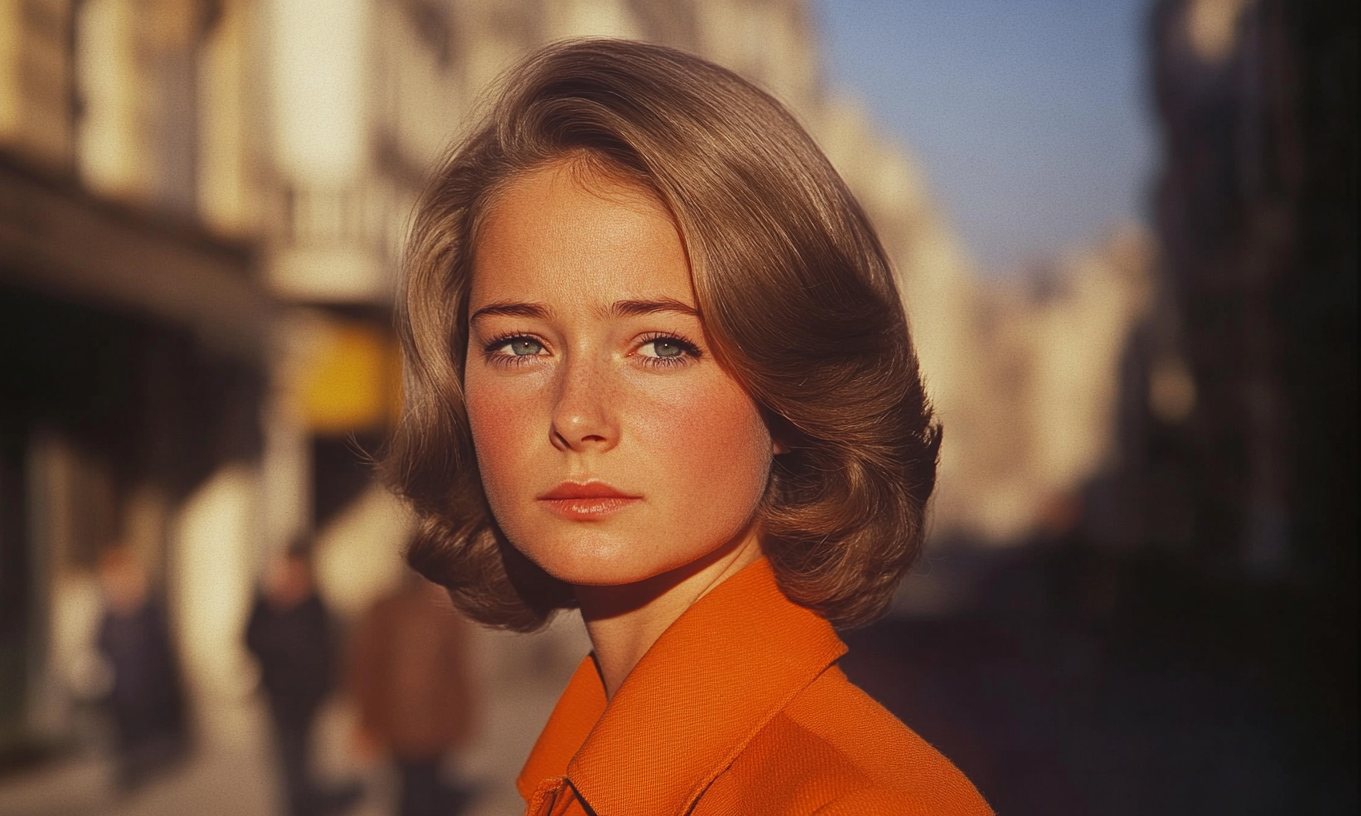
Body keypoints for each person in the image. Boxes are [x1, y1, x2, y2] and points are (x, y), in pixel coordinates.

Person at [385, 38, 993, 815]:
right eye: (520, 344)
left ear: (789, 394)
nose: (575, 416)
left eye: (662, 346)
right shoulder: (587, 774)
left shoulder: (860, 802)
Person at [245, 544, 362, 816]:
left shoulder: (315, 605)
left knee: (303, 755)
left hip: (308, 696)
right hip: (278, 695)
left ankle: (304, 802)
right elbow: (251, 638)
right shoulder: (267, 604)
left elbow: (327, 648)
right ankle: (296, 805)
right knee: (287, 758)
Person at [349, 573, 476, 816]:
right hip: (413, 724)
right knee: (419, 787)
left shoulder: (433, 611)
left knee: (417, 787)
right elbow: (367, 669)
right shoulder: (397, 610)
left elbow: (457, 671)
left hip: (421, 723)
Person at [95, 545, 188, 792]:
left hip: (146, 687)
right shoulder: (109, 613)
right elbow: (99, 645)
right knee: (123, 734)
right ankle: (129, 769)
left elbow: (162, 650)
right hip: (120, 688)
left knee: (143, 735)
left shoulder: (148, 609)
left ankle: (140, 765)